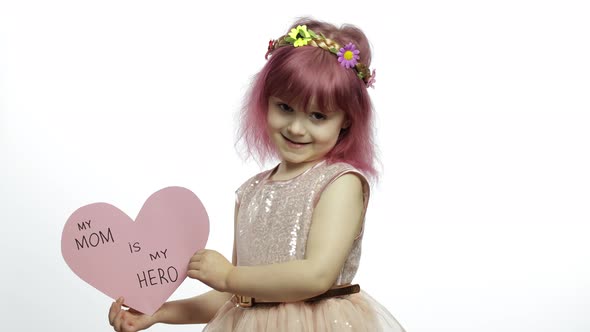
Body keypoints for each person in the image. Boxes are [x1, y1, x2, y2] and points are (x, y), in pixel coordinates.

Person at [109, 17, 405, 332]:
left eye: (318, 116)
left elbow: (316, 275)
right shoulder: (250, 192)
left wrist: (228, 276)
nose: (296, 127)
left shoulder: (339, 182)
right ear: (265, 103)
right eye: (285, 108)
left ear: (346, 120)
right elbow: (236, 295)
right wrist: (159, 312)